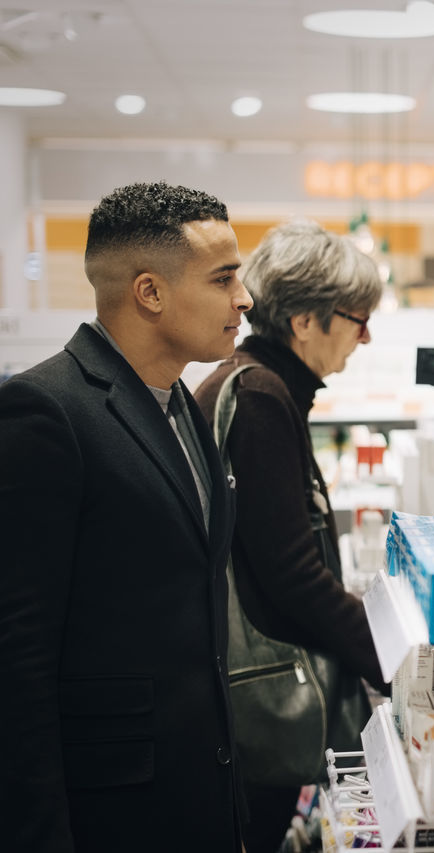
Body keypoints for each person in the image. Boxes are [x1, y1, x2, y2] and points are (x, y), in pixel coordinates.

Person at [0, 182, 251, 851]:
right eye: (225, 278)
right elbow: (17, 660)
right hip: (110, 809)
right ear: (150, 292)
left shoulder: (182, 406)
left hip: (199, 789)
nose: (244, 299)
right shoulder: (46, 411)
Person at [193, 219, 385, 853]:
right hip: (258, 700)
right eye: (357, 318)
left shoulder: (252, 384)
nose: (365, 335)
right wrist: (390, 657)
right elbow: (291, 576)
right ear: (305, 321)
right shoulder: (259, 397)